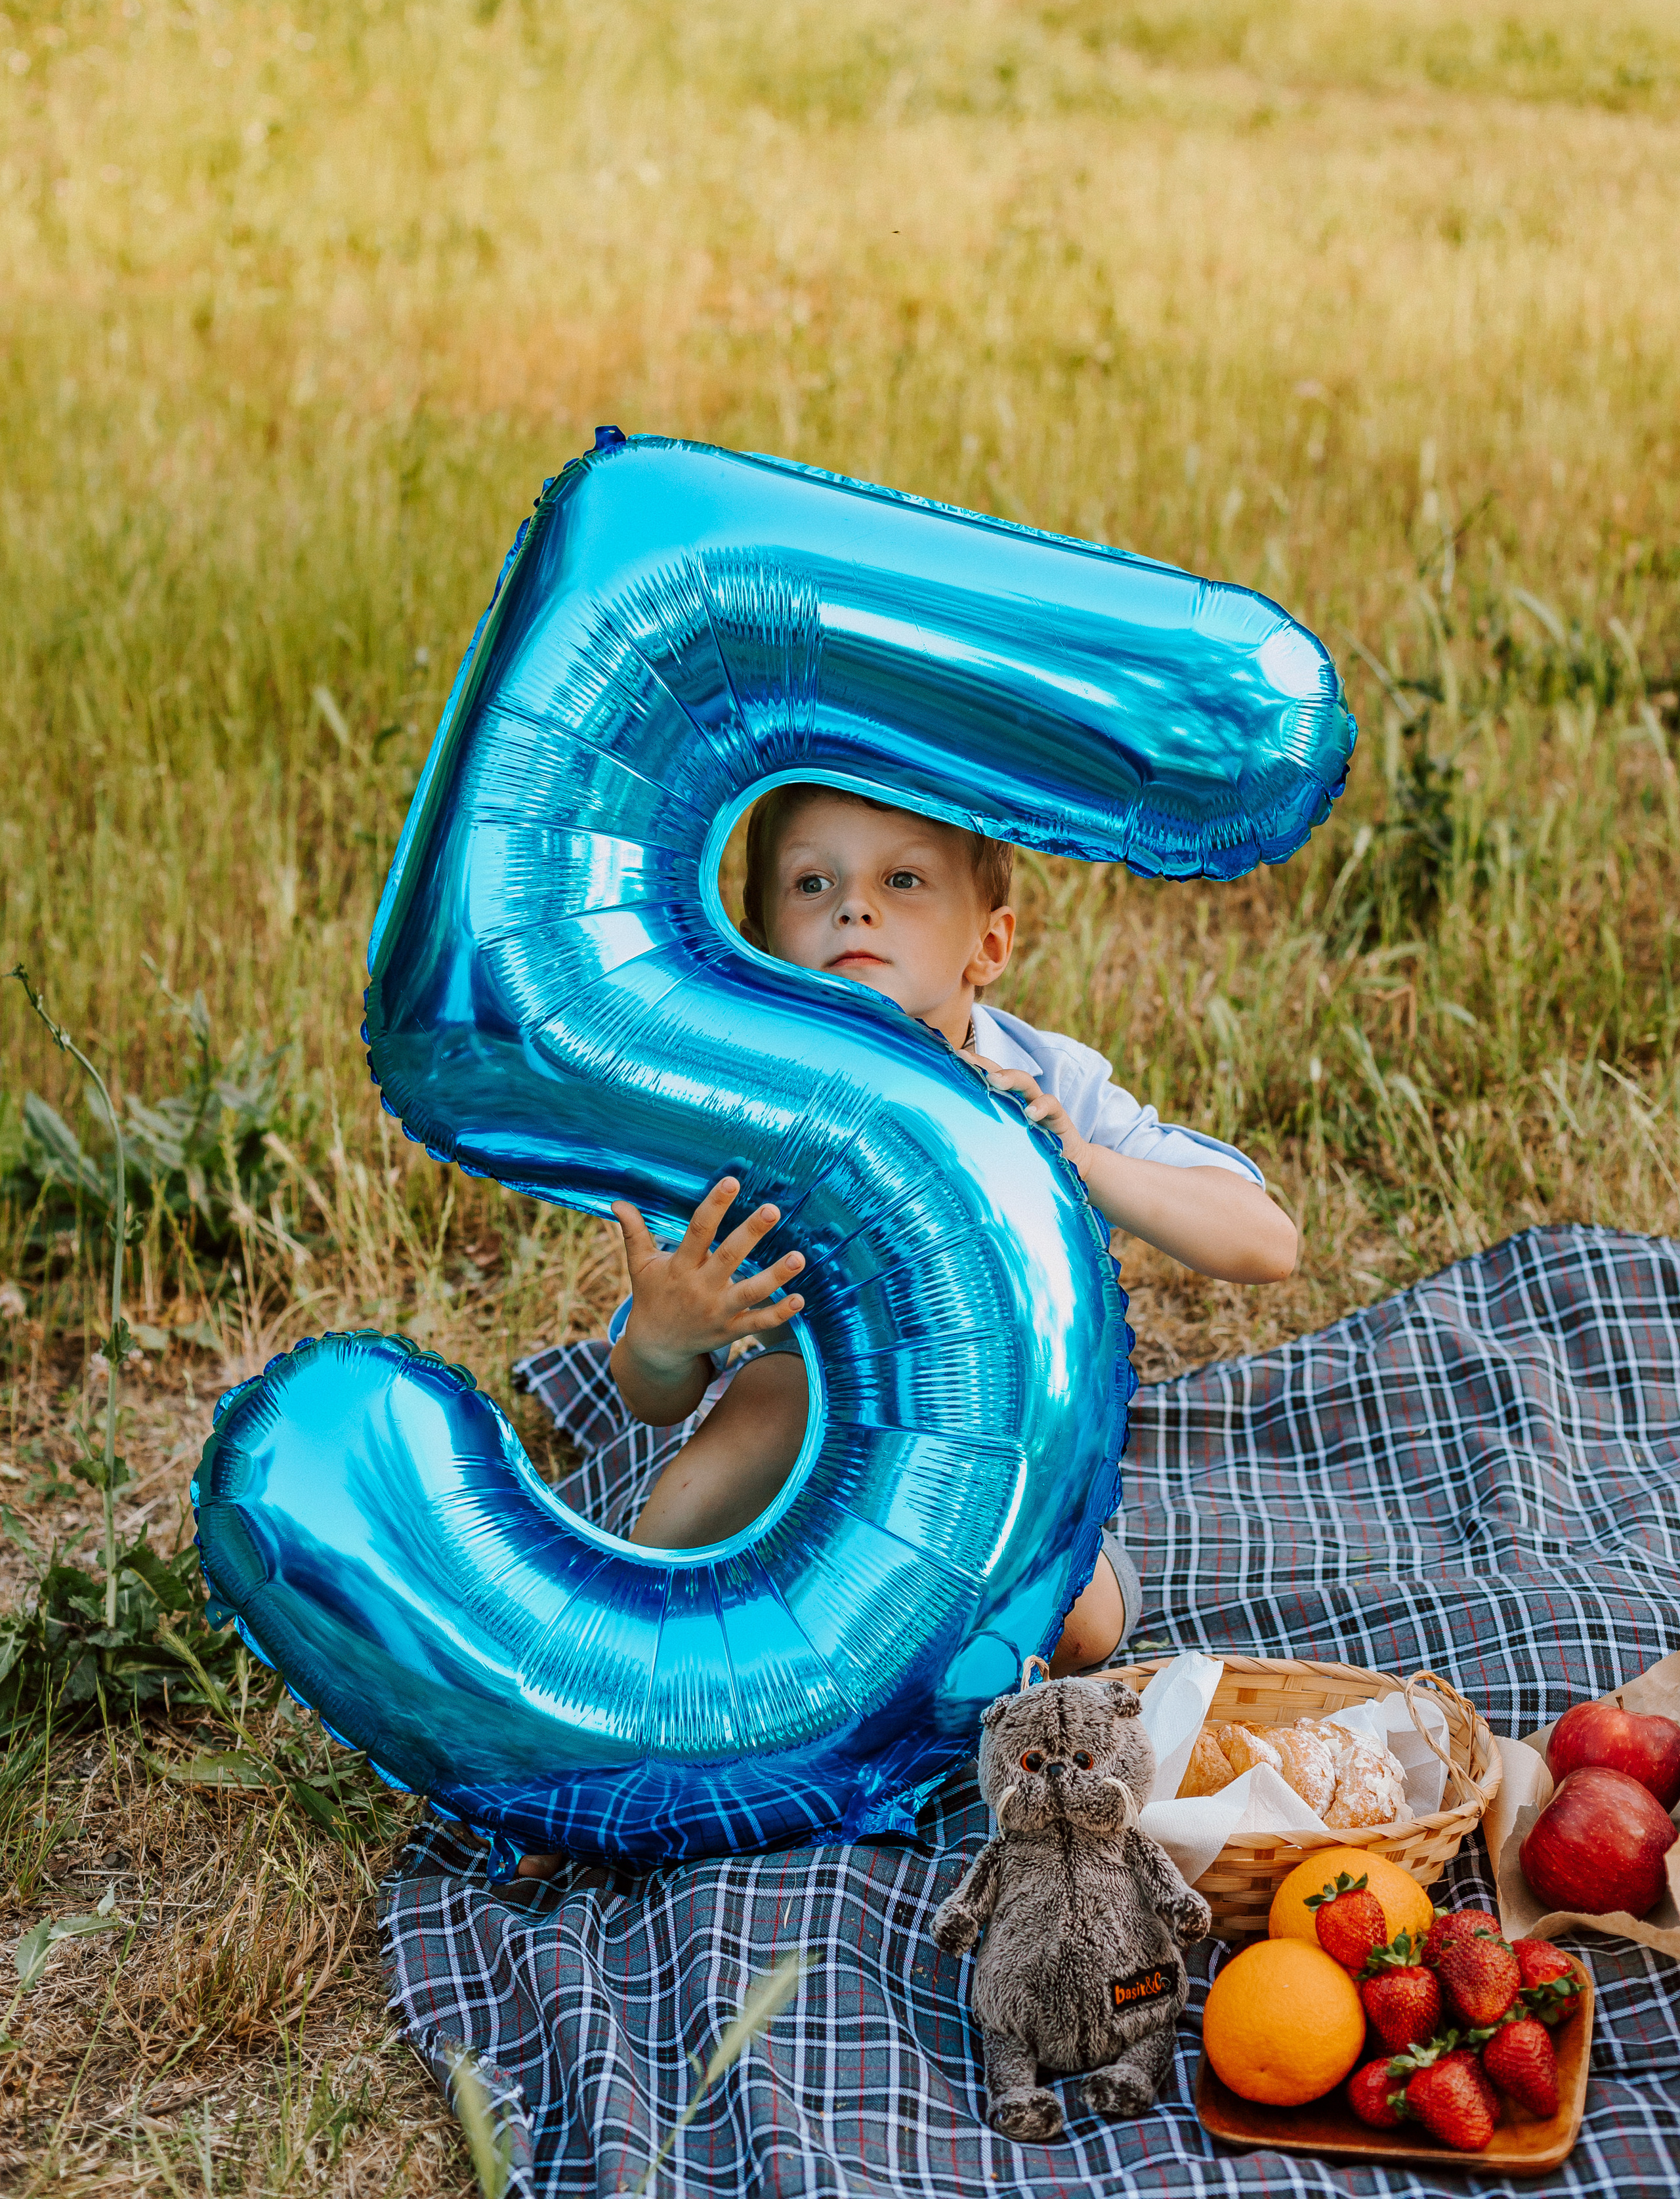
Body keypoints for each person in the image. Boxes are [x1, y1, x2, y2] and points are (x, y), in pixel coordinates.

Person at [516, 786, 1295, 1876]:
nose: (854, 914)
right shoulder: (750, 1108)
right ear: (760, 948)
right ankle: (608, 1732)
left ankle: (900, 1714)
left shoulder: (1045, 1080)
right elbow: (652, 1393)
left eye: (902, 881)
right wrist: (664, 1331)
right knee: (740, 1428)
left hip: (1006, 1470)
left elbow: (1266, 1242)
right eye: (812, 884)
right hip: (809, 1471)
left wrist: (1086, 1163)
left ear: (990, 945)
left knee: (1087, 1632)